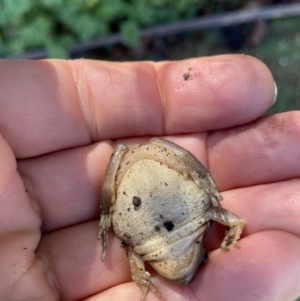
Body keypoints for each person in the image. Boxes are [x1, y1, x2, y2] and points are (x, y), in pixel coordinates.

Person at [0, 56, 299, 301]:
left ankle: (114, 211)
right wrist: (227, 221)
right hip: (159, 206)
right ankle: (115, 210)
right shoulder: (196, 221)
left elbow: (230, 220)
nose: (181, 273)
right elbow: (233, 219)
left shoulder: (163, 241)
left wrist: (230, 223)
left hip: (152, 211)